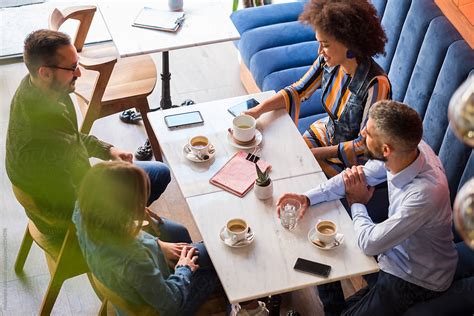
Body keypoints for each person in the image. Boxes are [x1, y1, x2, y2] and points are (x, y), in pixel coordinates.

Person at [277, 100, 458, 315]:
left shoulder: (424, 194)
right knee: (319, 240)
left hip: (416, 276)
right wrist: (307, 198)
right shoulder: (406, 151)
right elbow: (354, 177)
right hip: (391, 251)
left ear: (385, 149)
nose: (362, 132)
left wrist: (357, 203)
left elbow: (370, 244)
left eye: (369, 132)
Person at [5, 29, 170, 256]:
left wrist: (108, 150)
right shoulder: (38, 143)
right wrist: (127, 218)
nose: (79, 73)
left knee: (159, 172)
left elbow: (70, 137)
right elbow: (76, 209)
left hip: (76, 185)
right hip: (68, 220)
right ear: (44, 73)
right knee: (175, 232)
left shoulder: (42, 90)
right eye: (72, 68)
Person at [245, 0, 391, 177]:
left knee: (297, 172)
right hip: (323, 134)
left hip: (351, 160)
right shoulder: (327, 62)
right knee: (279, 159)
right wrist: (257, 111)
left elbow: (364, 144)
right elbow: (297, 91)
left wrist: (315, 155)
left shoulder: (376, 84)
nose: (320, 51)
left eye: (326, 44)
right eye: (319, 42)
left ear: (349, 43)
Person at [73, 161, 218, 315]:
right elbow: (170, 303)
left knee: (179, 233)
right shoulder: (135, 260)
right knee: (217, 256)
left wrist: (158, 245)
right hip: (166, 305)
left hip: (131, 282)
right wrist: (184, 268)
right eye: (138, 201)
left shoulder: (81, 211)